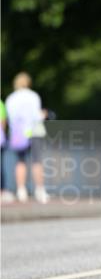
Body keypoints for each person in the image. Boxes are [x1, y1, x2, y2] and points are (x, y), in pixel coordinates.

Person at [5, 72, 49, 203]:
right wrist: (45, 114)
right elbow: (36, 116)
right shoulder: (33, 96)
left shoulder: (11, 98)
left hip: (19, 133)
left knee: (20, 161)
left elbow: (10, 118)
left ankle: (21, 190)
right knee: (37, 161)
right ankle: (40, 190)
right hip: (34, 130)